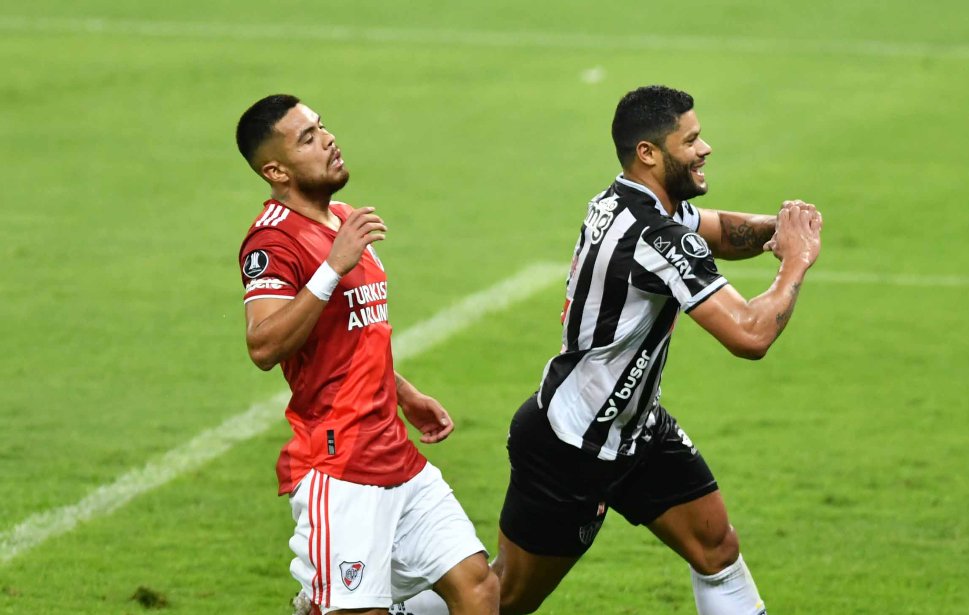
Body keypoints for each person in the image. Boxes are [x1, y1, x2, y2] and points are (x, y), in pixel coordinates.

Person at [488, 85, 823, 614]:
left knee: (716, 549)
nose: (705, 148)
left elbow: (717, 232)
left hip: (636, 429)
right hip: (573, 446)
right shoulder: (653, 235)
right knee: (502, 599)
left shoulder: (628, 201)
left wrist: (780, 230)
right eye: (690, 140)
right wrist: (795, 261)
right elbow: (750, 335)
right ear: (649, 153)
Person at [234, 94, 499, 615]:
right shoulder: (271, 241)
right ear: (275, 169)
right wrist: (331, 268)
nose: (328, 139)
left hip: (394, 450)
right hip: (339, 463)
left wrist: (405, 393)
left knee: (479, 587)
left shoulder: (345, 219)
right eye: (308, 138)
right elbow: (263, 345)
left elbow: (357, 333)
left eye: (322, 126)